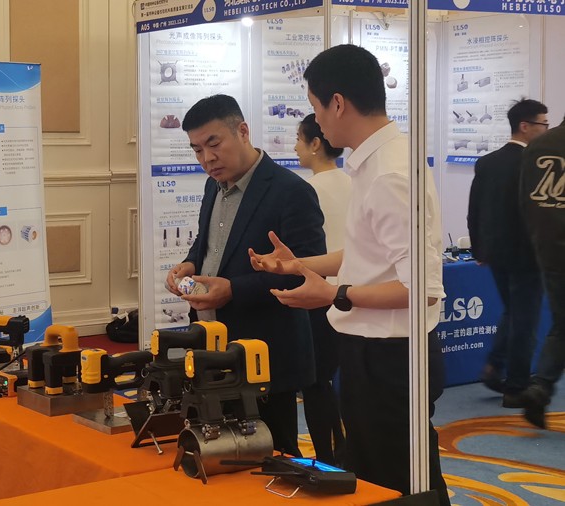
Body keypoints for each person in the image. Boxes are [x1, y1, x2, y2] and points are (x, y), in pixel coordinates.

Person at [248, 45, 450, 504]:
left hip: (392, 358)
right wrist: (300, 266)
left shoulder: (389, 173)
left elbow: (421, 289)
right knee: (382, 476)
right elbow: (367, 254)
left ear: (337, 103)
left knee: (402, 485)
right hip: (377, 353)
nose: (316, 122)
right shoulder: (378, 161)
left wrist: (335, 294)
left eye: (316, 107)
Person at [164, 94, 326, 457]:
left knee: (273, 456)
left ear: (243, 131)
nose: (207, 158)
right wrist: (190, 264)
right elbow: (209, 245)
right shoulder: (213, 186)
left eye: (214, 144)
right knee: (219, 452)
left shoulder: (291, 192)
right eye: (197, 150)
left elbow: (305, 273)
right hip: (211, 344)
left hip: (264, 354)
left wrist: (233, 290)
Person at [467, 99, 548, 406]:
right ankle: (516, 387)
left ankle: (495, 366)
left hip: (496, 253)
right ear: (525, 126)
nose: (546, 129)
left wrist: (478, 247)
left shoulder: (487, 162)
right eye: (543, 124)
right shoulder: (535, 163)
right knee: (525, 321)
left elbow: (474, 209)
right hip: (528, 255)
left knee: (513, 312)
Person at [295, 113, 350, 465]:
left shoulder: (306, 190)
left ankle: (328, 457)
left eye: (299, 139)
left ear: (316, 144)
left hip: (320, 294)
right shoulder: (353, 183)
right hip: (352, 292)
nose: (295, 147)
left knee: (315, 380)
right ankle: (342, 451)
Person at [518, 114, 565, 429]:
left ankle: (541, 386)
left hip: (550, 250)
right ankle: (541, 386)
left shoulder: (538, 146)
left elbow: (525, 202)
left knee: (562, 323)